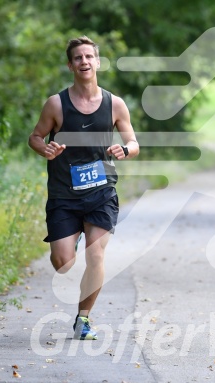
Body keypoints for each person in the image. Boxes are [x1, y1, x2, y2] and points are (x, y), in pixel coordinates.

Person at [28, 36, 139, 340]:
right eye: (78, 58)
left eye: (89, 56)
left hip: (101, 191)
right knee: (63, 264)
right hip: (64, 193)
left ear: (97, 62)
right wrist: (45, 149)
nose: (84, 62)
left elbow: (133, 141)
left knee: (96, 257)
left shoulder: (114, 104)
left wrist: (125, 150)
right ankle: (70, 241)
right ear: (70, 65)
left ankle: (83, 319)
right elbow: (35, 137)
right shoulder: (56, 104)